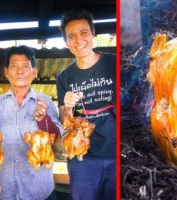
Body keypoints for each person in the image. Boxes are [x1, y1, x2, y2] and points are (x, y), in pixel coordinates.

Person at [0, 45, 63, 200]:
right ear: (6, 72)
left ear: (34, 72)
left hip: (40, 190)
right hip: (4, 189)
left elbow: (56, 137)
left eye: (25, 66)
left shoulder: (45, 101)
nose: (20, 71)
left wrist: (42, 119)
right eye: (14, 66)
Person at [57, 8, 116, 200]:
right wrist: (67, 107)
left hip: (117, 154)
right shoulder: (64, 77)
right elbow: (64, 120)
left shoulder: (114, 64)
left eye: (84, 33)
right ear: (66, 43)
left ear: (93, 33)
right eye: (71, 36)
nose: (79, 40)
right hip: (83, 159)